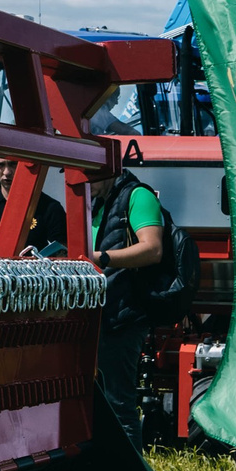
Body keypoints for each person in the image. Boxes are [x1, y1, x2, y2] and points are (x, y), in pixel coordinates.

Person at [85, 158, 169, 444]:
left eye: (88, 172)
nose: (82, 179)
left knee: (118, 403)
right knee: (103, 403)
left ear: (109, 169)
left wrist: (101, 258)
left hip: (123, 316)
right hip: (101, 314)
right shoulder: (97, 201)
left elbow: (153, 249)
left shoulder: (138, 196)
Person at [0, 159, 65, 255]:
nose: (6, 172)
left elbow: (59, 257)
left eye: (13, 164)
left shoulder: (51, 209)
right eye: (0, 165)